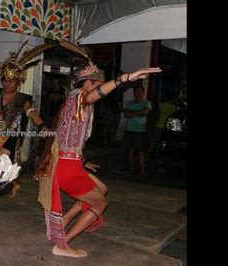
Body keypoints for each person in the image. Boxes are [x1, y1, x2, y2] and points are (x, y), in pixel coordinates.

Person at [44, 62, 161, 258]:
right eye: (98, 84)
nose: (101, 88)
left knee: (102, 189)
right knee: (100, 204)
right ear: (88, 83)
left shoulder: (72, 100)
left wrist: (82, 161)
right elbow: (94, 95)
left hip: (69, 163)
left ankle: (62, 222)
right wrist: (125, 78)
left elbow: (67, 137)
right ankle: (62, 245)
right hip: (68, 168)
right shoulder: (81, 98)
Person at [0, 46, 51, 197]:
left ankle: (9, 184)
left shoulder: (22, 99)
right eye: (5, 80)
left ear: (18, 83)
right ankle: (9, 185)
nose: (7, 84)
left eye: (11, 81)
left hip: (10, 136)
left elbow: (31, 112)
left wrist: (41, 125)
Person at [123, 85, 151, 176]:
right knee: (131, 150)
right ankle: (132, 168)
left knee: (140, 151)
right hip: (129, 129)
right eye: (135, 91)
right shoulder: (129, 103)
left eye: (139, 91)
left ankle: (142, 169)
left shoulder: (147, 103)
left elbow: (144, 113)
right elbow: (126, 115)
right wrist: (139, 112)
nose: (137, 93)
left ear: (143, 93)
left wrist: (133, 112)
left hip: (140, 130)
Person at [145, 95, 179, 159]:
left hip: (158, 124)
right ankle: (157, 155)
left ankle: (148, 153)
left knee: (154, 140)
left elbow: (158, 113)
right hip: (166, 126)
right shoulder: (175, 108)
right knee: (159, 141)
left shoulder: (162, 105)